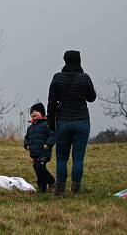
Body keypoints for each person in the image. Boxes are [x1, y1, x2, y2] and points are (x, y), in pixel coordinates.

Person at [47, 50, 96, 197]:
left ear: (65, 60)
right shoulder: (84, 78)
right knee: (78, 157)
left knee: (62, 158)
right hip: (82, 120)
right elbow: (91, 97)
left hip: (63, 121)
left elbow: (51, 102)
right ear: (79, 60)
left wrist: (50, 123)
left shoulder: (57, 78)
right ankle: (75, 190)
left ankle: (60, 191)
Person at [23, 102, 56, 193]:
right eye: (32, 112)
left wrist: (48, 144)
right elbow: (27, 138)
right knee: (38, 169)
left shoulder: (47, 124)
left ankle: (51, 182)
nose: (33, 113)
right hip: (34, 153)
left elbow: (53, 135)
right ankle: (42, 187)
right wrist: (27, 145)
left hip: (44, 152)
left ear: (42, 113)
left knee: (40, 167)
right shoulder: (30, 128)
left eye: (36, 111)